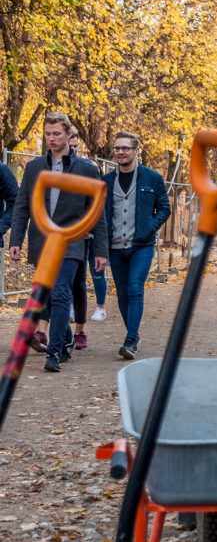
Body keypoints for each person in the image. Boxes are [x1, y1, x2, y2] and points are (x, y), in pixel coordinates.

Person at [9, 112, 108, 372]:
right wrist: (16, 240)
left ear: (68, 135)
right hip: (42, 241)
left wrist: (99, 249)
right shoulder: (34, 168)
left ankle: (54, 352)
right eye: (48, 134)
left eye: (57, 134)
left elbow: (96, 213)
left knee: (62, 292)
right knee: (51, 297)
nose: (52, 138)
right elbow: (22, 207)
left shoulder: (86, 169)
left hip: (72, 240)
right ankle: (64, 341)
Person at [104, 131, 171, 360]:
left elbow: (164, 208)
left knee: (135, 287)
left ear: (135, 151)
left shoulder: (152, 178)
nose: (121, 152)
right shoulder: (106, 182)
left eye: (125, 148)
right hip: (115, 246)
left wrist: (149, 228)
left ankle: (131, 339)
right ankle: (133, 334)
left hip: (141, 245)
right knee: (122, 293)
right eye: (117, 148)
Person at [67, 128, 108, 350]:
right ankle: (69, 317)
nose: (71, 149)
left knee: (96, 275)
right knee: (73, 281)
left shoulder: (89, 169)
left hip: (91, 233)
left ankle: (100, 306)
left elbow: (98, 208)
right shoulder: (56, 169)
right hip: (72, 236)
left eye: (74, 146)